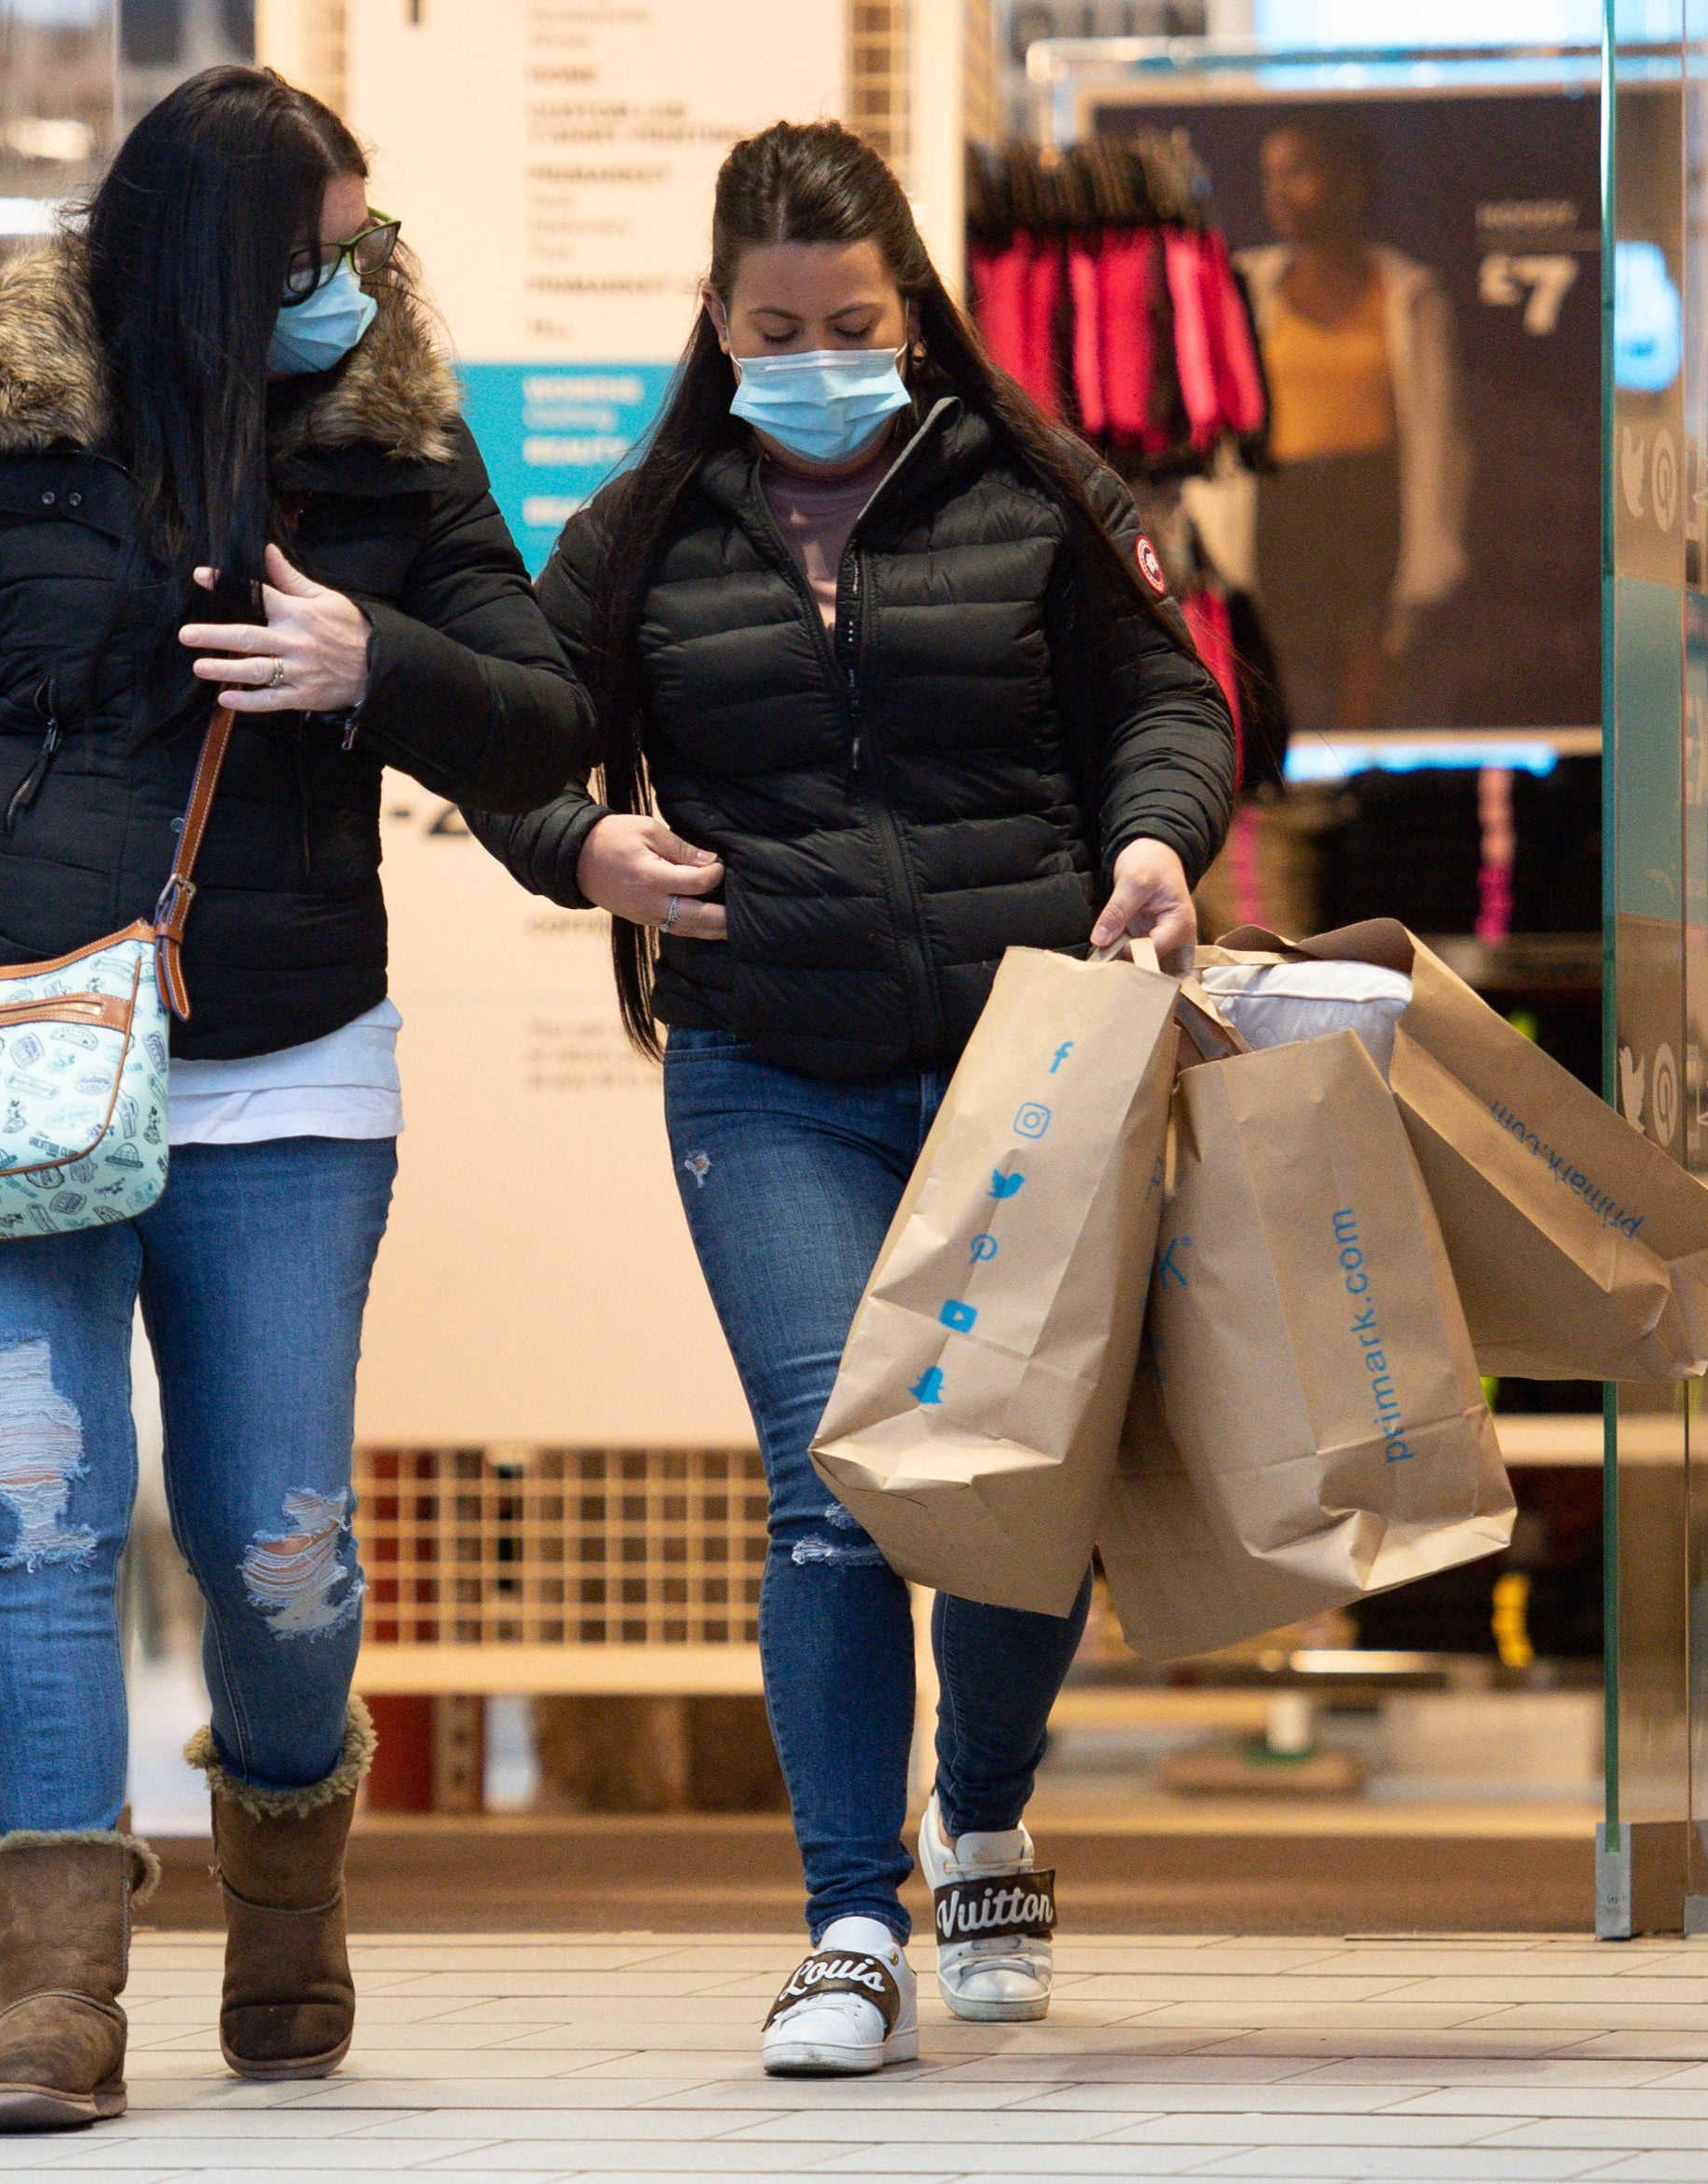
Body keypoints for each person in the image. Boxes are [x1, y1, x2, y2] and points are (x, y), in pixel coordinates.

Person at [0, 66, 590, 2131]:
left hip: (288, 1066)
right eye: (309, 251)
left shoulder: (386, 442)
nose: (346, 285)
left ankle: (289, 1875)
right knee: (36, 1506)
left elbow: (552, 711)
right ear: (203, 256)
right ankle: (53, 1986)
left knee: (281, 1547)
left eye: (357, 249)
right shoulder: (4, 443)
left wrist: (381, 666)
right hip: (12, 1056)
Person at [472, 120, 1233, 2076]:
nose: (813, 353)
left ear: (914, 310)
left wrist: (1156, 842)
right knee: (829, 1488)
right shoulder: (639, 532)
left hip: (1029, 1059)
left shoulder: (1045, 491)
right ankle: (845, 1919)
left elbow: (1171, 702)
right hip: (765, 1064)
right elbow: (519, 750)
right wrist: (587, 852)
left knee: (1005, 1479)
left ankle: (981, 1812)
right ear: (715, 324)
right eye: (774, 324)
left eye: (852, 319)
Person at [1185, 114, 1469, 733]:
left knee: (1367, 689)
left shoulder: (1406, 295)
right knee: (1274, 686)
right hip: (1280, 506)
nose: (1278, 192)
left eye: (1297, 173)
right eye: (1268, 176)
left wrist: (1432, 544)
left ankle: (1357, 801)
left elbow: (1438, 434)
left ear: (1349, 184)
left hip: (1370, 505)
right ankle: (1286, 805)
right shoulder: (1249, 287)